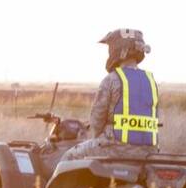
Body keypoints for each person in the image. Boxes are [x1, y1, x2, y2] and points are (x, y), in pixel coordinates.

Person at [61, 29, 159, 161]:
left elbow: (97, 120)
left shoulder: (112, 79)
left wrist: (97, 137)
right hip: (149, 151)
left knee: (69, 156)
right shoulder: (151, 80)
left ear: (118, 50)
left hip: (115, 148)